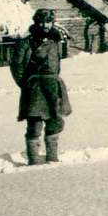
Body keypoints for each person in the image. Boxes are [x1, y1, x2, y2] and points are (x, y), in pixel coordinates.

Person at [10, 9, 72, 165]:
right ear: (36, 22)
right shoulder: (27, 42)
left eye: (49, 22)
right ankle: (34, 159)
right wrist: (25, 84)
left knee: (55, 120)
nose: (45, 25)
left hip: (53, 86)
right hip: (35, 87)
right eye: (42, 22)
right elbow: (16, 65)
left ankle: (52, 157)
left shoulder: (56, 41)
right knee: (35, 123)